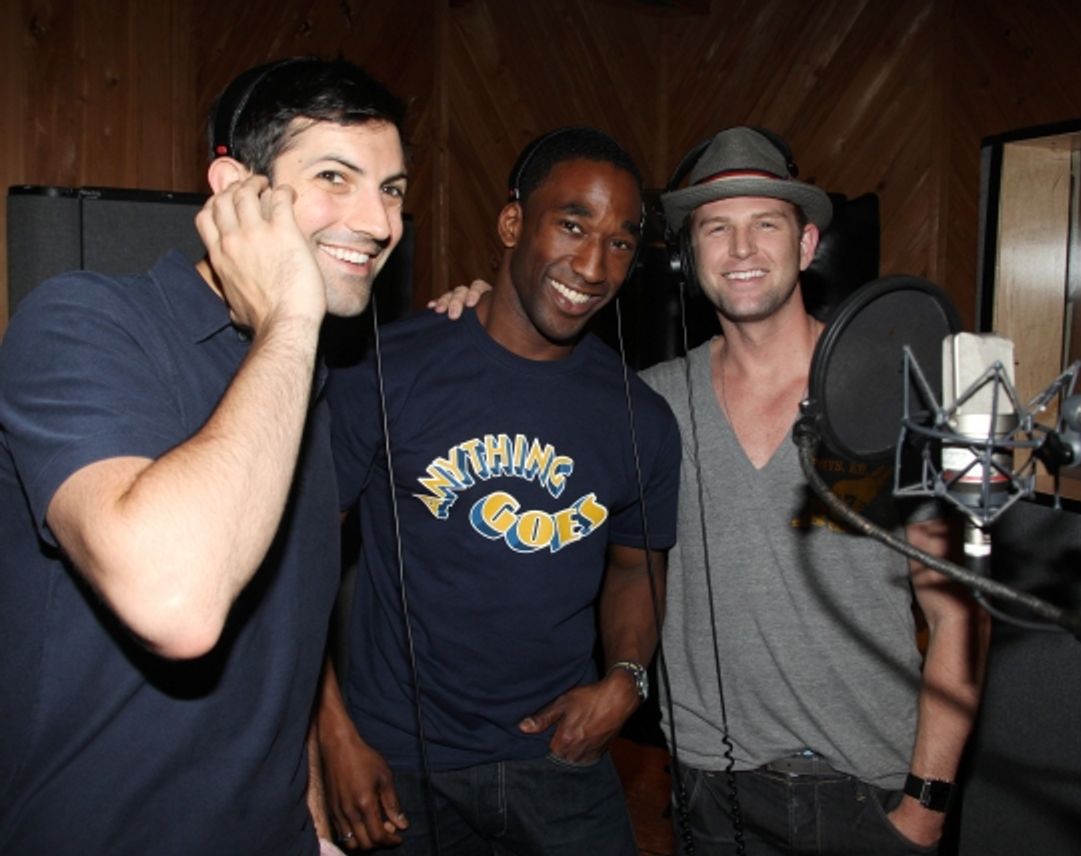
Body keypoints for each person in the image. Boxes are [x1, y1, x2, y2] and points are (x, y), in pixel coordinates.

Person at [433, 125, 990, 855]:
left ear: (808, 244)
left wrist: (926, 806)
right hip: (711, 793)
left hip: (873, 794)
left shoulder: (898, 399)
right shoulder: (648, 407)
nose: (743, 249)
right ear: (688, 258)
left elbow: (961, 615)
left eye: (767, 224)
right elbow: (525, 443)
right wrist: (478, 313)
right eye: (716, 229)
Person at [0, 57, 408, 855]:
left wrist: (315, 828)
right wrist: (290, 320)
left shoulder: (305, 384)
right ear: (235, 189)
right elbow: (177, 604)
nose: (379, 221)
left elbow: (279, 667)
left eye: (392, 188)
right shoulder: (83, 322)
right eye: (336, 176)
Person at [312, 127, 682, 855]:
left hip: (559, 759)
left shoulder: (640, 416)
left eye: (619, 242)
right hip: (398, 761)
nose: (592, 264)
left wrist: (628, 678)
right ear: (514, 224)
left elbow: (637, 568)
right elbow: (295, 564)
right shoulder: (388, 370)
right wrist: (333, 734)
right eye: (572, 226)